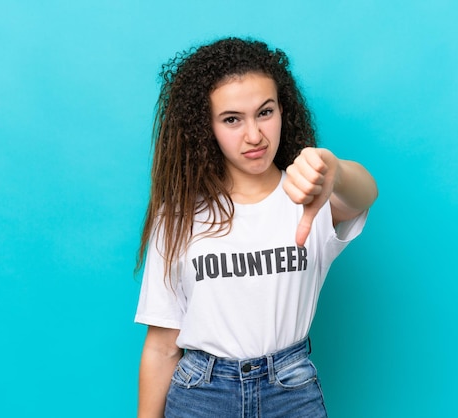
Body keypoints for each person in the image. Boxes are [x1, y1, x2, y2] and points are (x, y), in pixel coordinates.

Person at [134, 37, 378, 418]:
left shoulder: (311, 196)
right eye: (232, 119)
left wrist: (336, 171)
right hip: (202, 392)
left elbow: (364, 194)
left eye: (265, 112)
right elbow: (162, 346)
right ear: (207, 127)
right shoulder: (177, 217)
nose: (253, 136)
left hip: (291, 389)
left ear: (284, 110)